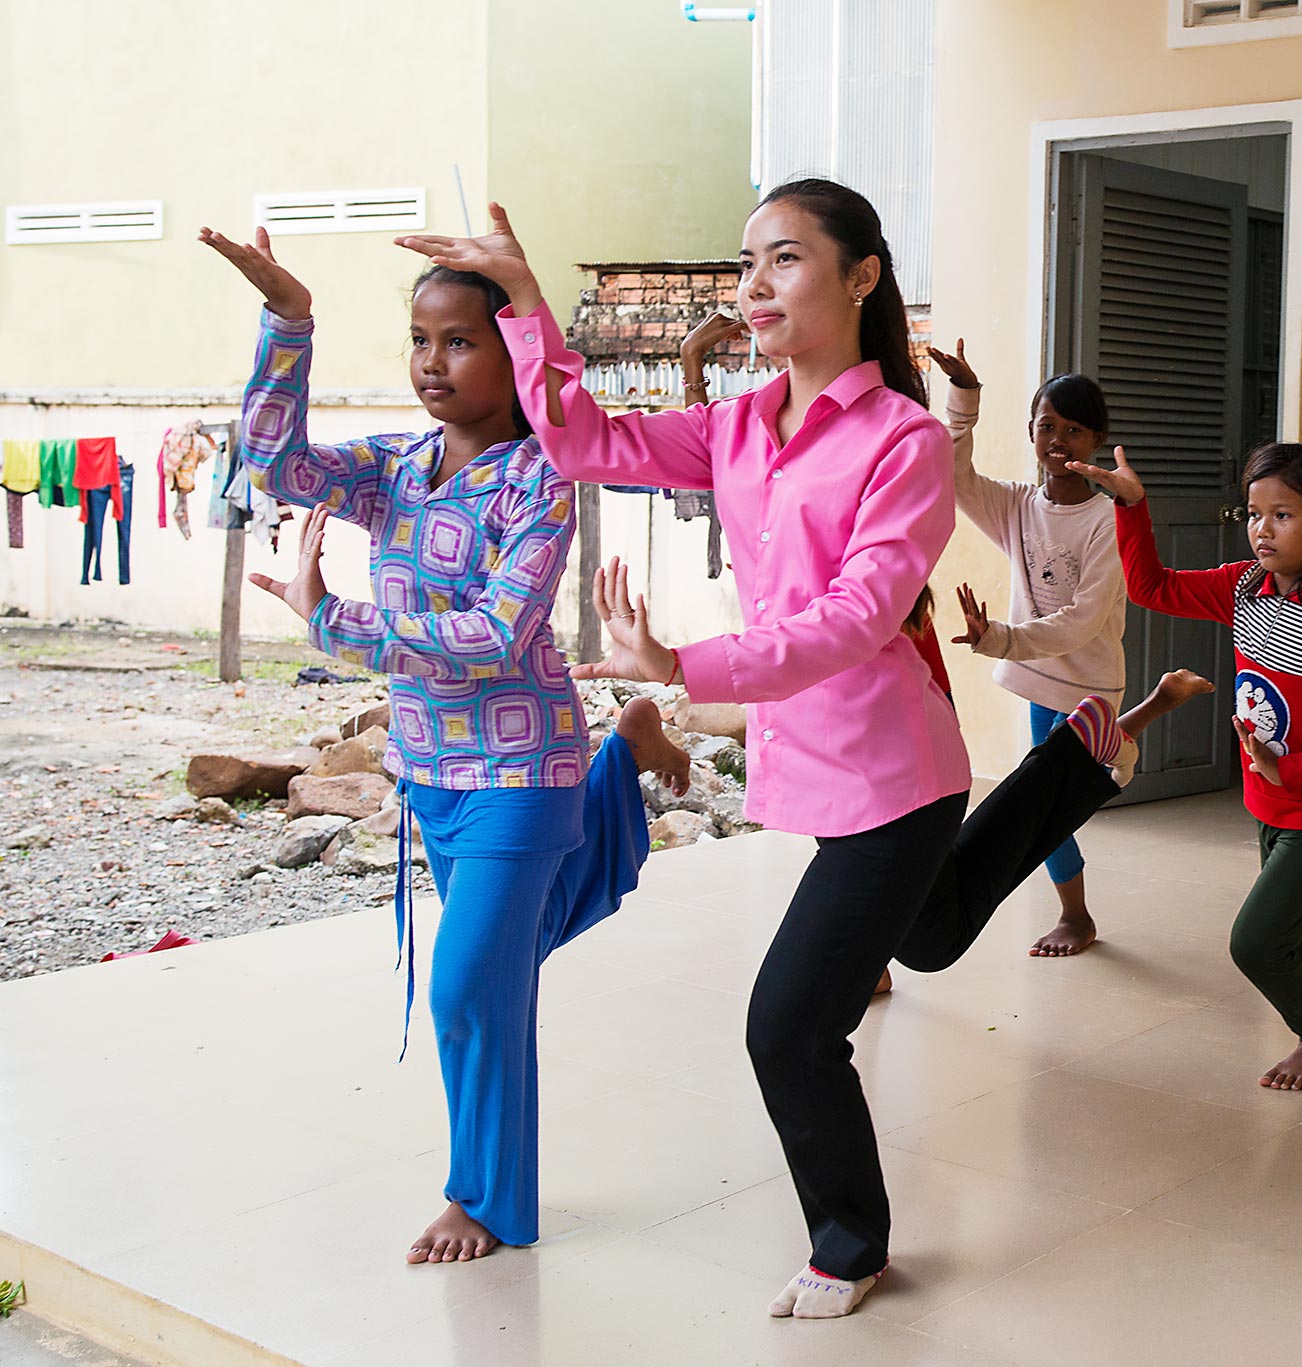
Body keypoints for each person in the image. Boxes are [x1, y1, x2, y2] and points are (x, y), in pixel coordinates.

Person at [396, 181, 1213, 1317]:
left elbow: (855, 616)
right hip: (814, 766)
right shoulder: (735, 427)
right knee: (925, 936)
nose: (752, 286)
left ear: (860, 275)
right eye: (746, 263)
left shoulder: (906, 440)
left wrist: (687, 667)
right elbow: (579, 439)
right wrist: (527, 298)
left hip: (894, 773)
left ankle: (849, 1243)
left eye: (782, 260)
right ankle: (1075, 763)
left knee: (788, 1021)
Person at [199, 224, 692, 1265]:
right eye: (420, 338)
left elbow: (491, 636)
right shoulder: (395, 468)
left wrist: (330, 622)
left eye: (459, 340)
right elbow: (276, 462)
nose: (431, 361)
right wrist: (288, 319)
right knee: (500, 968)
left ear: (509, 353)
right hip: (428, 768)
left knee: (468, 984)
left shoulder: (540, 478)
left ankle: (487, 1199)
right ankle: (627, 760)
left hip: (520, 768)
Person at [1081, 440, 1302, 1092]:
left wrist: (1296, 770)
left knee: (1255, 945)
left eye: (1283, 515)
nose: (1262, 529)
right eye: (1254, 512)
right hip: (1270, 802)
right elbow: (1150, 586)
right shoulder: (1242, 588)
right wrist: (1132, 508)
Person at [928, 339, 1126, 956]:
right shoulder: (1016, 504)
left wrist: (1004, 640)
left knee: (1058, 801)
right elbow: (954, 477)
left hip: (1090, 686)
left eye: (1074, 429)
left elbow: (1084, 621)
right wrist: (964, 403)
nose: (1058, 440)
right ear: (1031, 432)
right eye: (1047, 426)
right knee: (1044, 809)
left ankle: (1077, 915)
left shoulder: (1109, 521)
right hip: (1042, 686)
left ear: (1097, 440)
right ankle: (1078, 916)